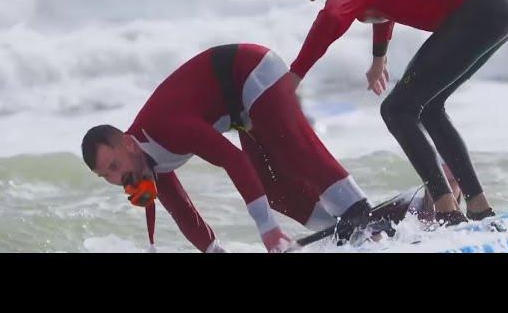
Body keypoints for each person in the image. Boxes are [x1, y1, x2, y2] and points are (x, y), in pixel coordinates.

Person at [272, 0, 508, 226]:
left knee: (397, 110)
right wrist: (379, 56)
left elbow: (329, 22)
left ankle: (447, 211)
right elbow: (384, 0)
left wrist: (294, 75)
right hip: (498, 2)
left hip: (479, 7)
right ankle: (478, 207)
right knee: (427, 107)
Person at [81, 43, 377, 253]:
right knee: (274, 192)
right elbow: (184, 213)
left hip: (250, 71)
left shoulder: (166, 128)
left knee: (293, 151)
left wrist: (268, 230)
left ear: (128, 145)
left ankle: (360, 210)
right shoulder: (149, 163)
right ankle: (341, 230)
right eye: (106, 175)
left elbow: (233, 159)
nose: (117, 180)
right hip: (238, 111)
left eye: (115, 166)